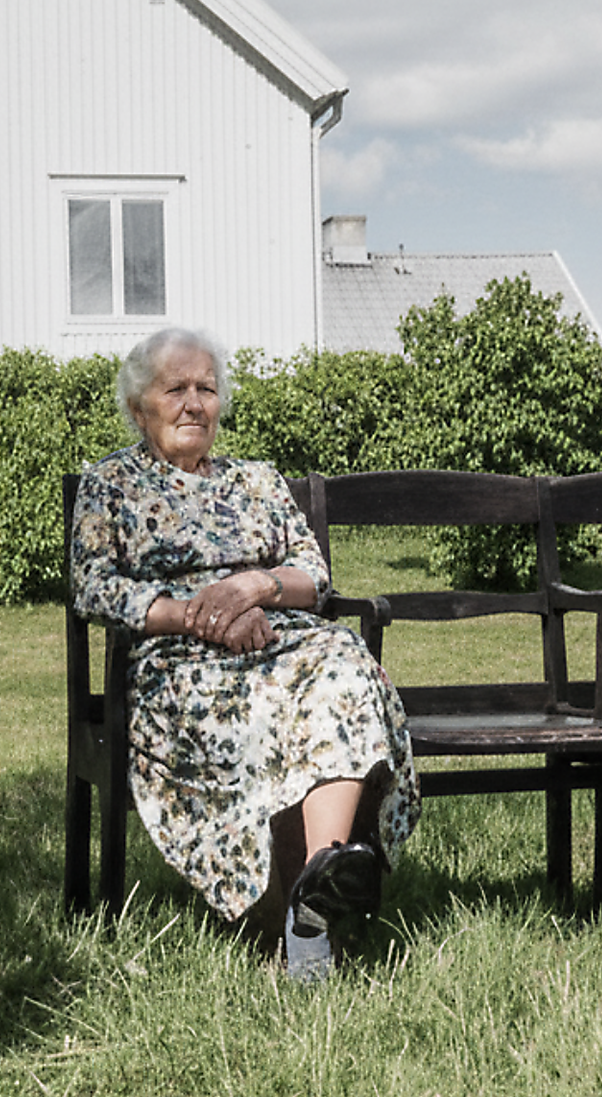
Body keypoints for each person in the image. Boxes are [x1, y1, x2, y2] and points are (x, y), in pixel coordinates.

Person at [68, 327, 419, 980]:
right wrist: (199, 618)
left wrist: (255, 585)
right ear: (140, 405)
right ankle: (300, 913)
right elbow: (94, 586)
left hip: (285, 641)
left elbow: (313, 576)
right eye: (176, 389)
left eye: (206, 388)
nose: (194, 403)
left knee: (345, 669)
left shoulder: (257, 481)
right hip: (180, 662)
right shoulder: (110, 484)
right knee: (277, 701)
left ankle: (316, 893)